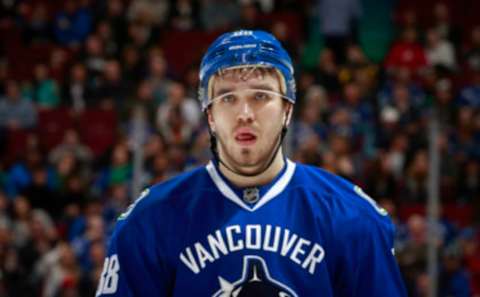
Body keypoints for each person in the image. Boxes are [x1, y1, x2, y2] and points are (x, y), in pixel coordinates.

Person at [96, 30, 407, 296]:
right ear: (209, 115)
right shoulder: (148, 222)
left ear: (287, 109)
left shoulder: (351, 216)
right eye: (228, 98)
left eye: (260, 96)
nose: (244, 113)